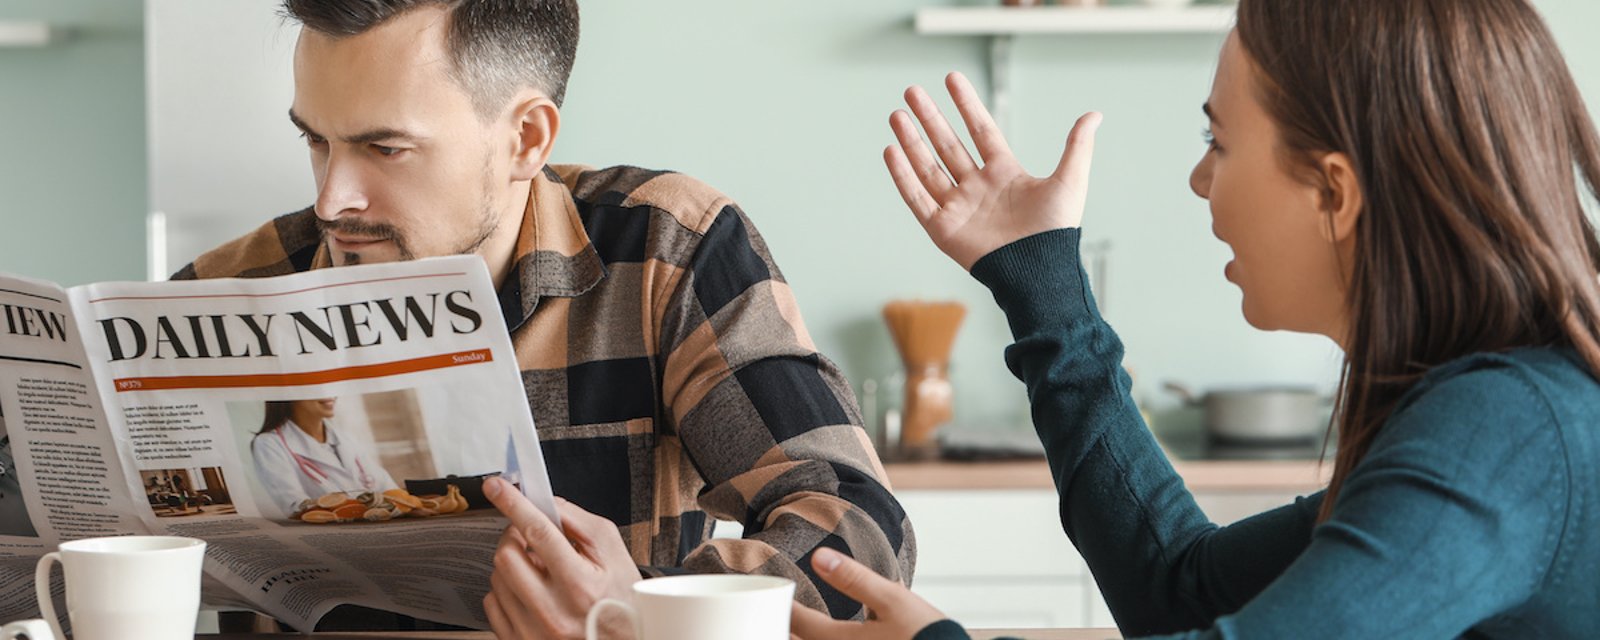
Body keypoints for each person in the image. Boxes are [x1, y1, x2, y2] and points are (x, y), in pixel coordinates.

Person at [791, 0, 1600, 638]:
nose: (1199, 179)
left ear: (1335, 193)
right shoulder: (1498, 415)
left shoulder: (1505, 432)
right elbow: (1176, 589)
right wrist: (1039, 279)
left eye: (1219, 141)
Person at [175, 0, 912, 634]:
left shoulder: (664, 252)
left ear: (526, 138)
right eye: (316, 139)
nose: (333, 199)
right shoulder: (227, 288)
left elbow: (857, 523)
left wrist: (646, 614)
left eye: (385, 148)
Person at [250, 398, 398, 515]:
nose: (329, 394)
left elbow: (388, 489)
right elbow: (295, 507)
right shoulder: (269, 443)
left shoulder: (346, 437)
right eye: (316, 386)